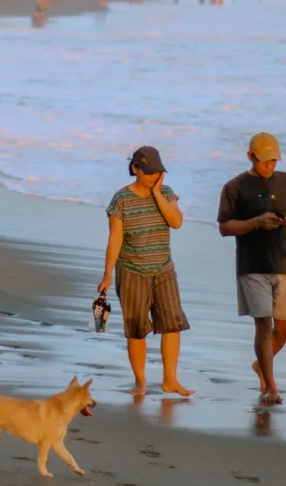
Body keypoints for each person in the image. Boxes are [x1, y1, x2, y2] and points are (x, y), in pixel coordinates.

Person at [217, 133, 286, 405]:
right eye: (264, 161)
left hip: (283, 262)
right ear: (250, 157)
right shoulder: (235, 187)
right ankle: (270, 385)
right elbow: (224, 227)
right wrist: (256, 222)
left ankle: (260, 366)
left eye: (274, 160)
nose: (270, 165)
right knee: (263, 324)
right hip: (252, 264)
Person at [98, 147, 193, 398]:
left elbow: (176, 222)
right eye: (149, 172)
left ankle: (170, 380)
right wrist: (108, 274)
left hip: (164, 269)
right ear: (135, 169)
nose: (154, 176)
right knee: (137, 328)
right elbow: (115, 238)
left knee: (172, 324)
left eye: (158, 172)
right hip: (131, 270)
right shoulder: (120, 200)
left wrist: (157, 194)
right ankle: (140, 381)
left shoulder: (166, 193)